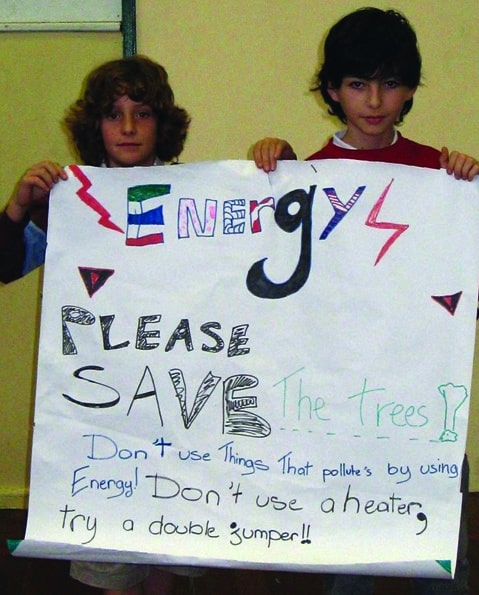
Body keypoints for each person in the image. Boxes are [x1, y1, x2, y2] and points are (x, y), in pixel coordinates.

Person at [252, 7, 478, 595]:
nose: (375, 101)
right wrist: (271, 175)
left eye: (391, 83)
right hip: (335, 411)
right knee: (346, 565)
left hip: (424, 405)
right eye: (358, 84)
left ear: (411, 89)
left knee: (436, 566)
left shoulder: (441, 176)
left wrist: (469, 194)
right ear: (332, 89)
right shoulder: (304, 178)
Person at [0, 55, 203, 595]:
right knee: (111, 561)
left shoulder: (198, 197)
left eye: (143, 113)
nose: (129, 127)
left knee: (168, 558)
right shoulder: (71, 202)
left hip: (181, 404)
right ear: (96, 125)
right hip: (103, 410)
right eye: (114, 114)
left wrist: (279, 170)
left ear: (163, 121)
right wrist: (18, 207)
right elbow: (5, 266)